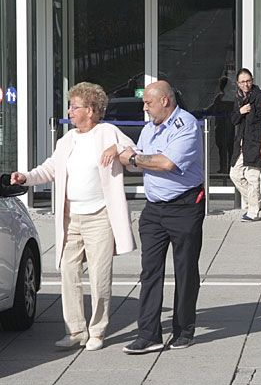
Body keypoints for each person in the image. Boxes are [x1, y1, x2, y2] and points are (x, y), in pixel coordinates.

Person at [11, 82, 136, 351]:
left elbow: (131, 151)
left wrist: (116, 149)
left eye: (74, 106)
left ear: (90, 110)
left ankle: (98, 331)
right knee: (68, 273)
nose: (70, 110)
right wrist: (26, 177)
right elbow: (50, 169)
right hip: (71, 218)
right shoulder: (66, 139)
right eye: (70, 106)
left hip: (100, 217)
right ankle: (76, 330)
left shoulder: (107, 132)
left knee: (100, 277)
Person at [119, 80, 205, 354]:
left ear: (165, 101)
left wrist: (134, 158)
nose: (144, 108)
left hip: (184, 206)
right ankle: (148, 334)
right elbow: (143, 162)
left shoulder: (186, 125)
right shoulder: (149, 130)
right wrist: (138, 158)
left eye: (148, 102)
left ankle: (184, 329)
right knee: (150, 271)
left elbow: (166, 163)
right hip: (154, 209)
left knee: (185, 269)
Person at [229, 68, 261, 222]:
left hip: (256, 141)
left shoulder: (259, 96)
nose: (246, 84)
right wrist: (240, 111)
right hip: (241, 143)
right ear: (238, 84)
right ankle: (256, 203)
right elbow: (233, 120)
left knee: (253, 177)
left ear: (252, 80)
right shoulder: (238, 98)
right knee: (235, 174)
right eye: (242, 82)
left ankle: (253, 211)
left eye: (248, 81)